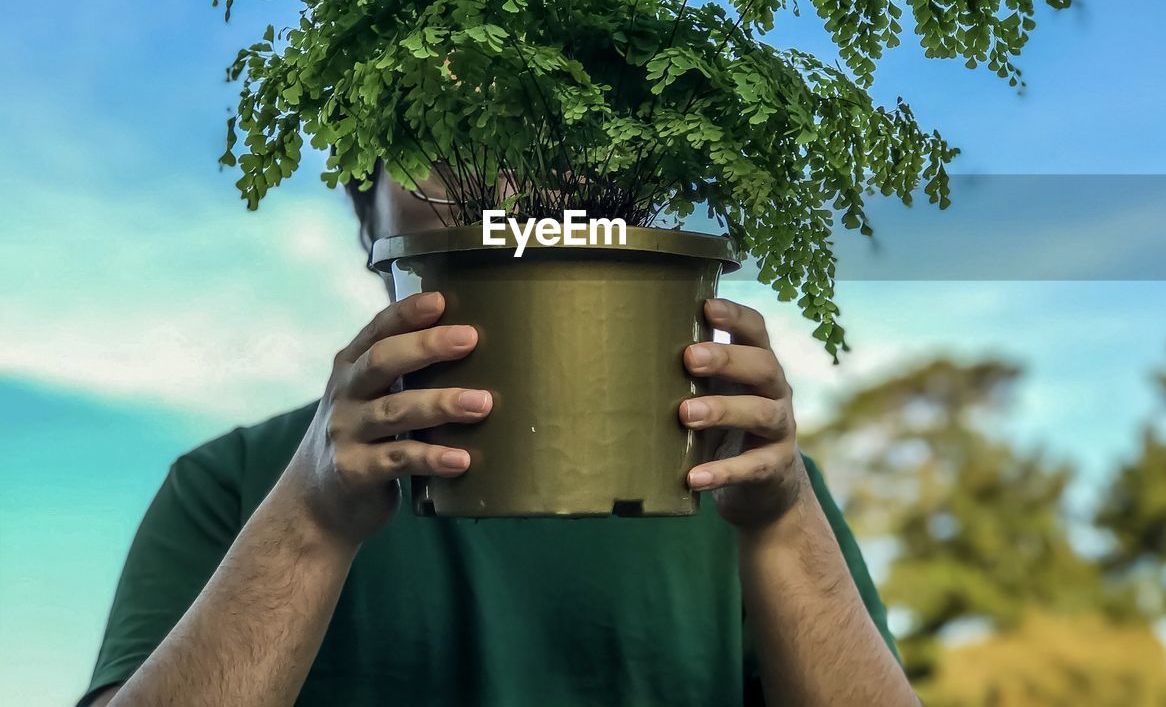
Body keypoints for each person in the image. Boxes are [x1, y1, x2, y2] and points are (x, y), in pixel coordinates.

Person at [78, 161, 918, 707]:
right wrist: (310, 521)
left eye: (541, 141)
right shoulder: (235, 482)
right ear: (369, 222)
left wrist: (779, 523)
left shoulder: (744, 481)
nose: (504, 189)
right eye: (439, 149)